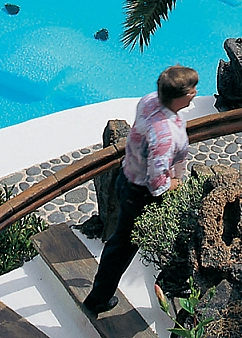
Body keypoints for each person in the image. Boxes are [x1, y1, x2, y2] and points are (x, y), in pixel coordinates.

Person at [83, 65, 199, 316]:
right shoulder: (164, 135)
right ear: (179, 97)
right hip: (142, 196)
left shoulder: (149, 101)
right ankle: (97, 299)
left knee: (119, 243)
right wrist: (174, 183)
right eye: (192, 89)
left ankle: (101, 294)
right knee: (121, 248)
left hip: (127, 178)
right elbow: (157, 183)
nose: (195, 92)